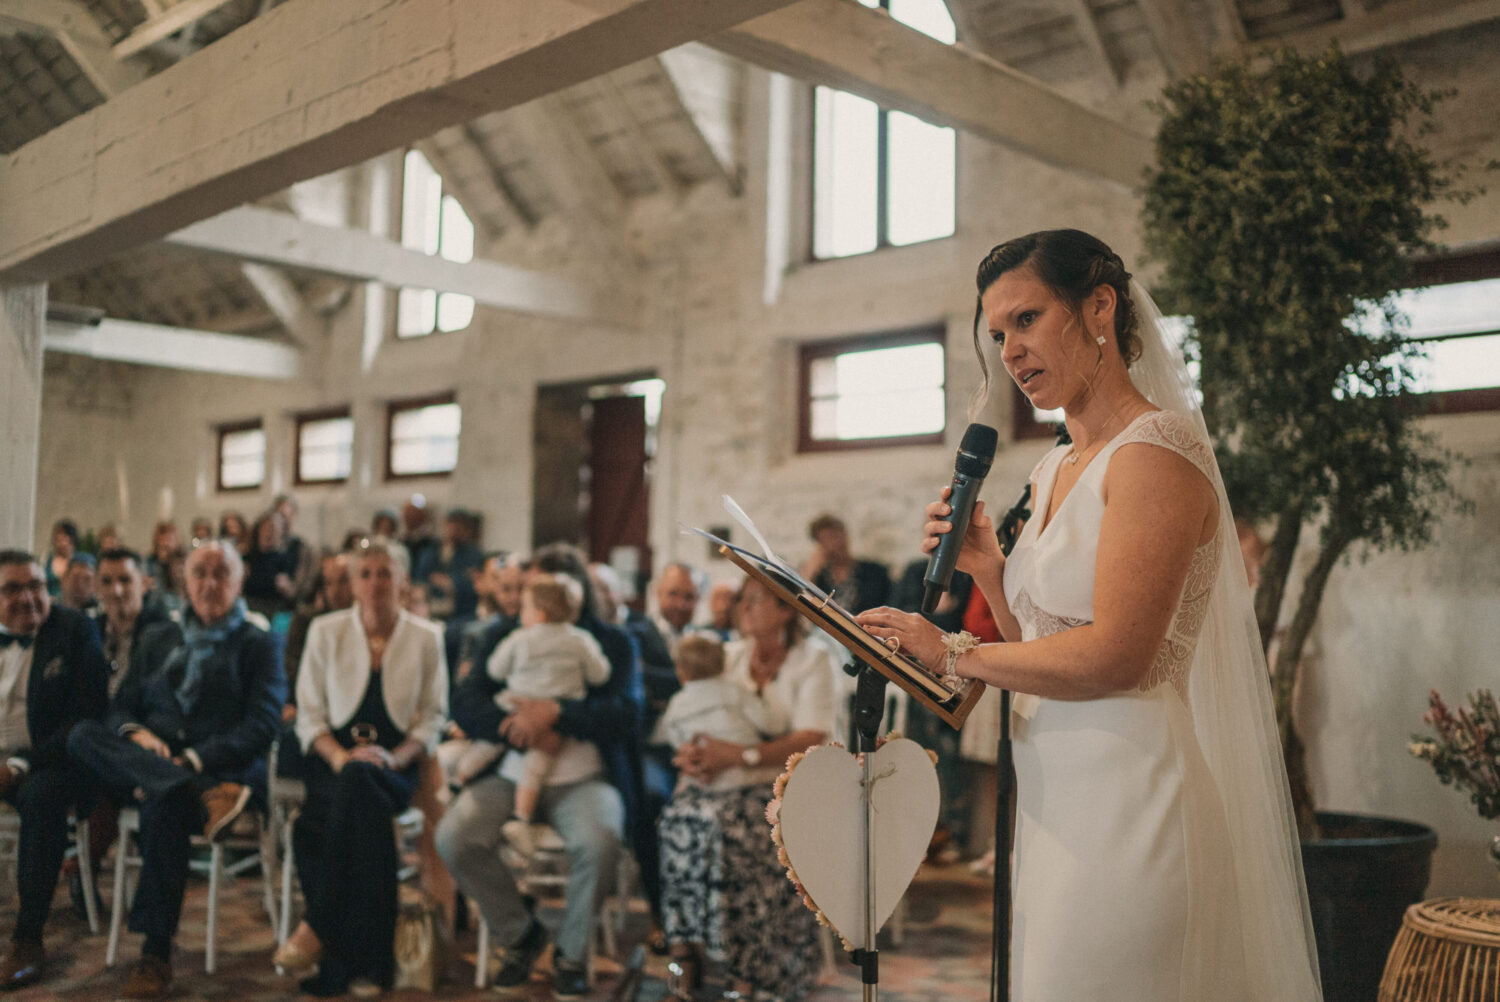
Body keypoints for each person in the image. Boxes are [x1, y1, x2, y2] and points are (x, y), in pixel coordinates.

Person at [853, 229, 1322, 1000]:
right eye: (998, 333)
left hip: (1133, 797)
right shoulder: (1054, 465)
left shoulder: (1157, 451)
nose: (1009, 350)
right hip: (1052, 799)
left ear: (1098, 307)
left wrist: (950, 653)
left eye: (1028, 319)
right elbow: (1042, 646)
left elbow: (1118, 658)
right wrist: (989, 573)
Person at [67, 541, 285, 1001]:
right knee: (83, 735)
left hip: (222, 771)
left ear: (239, 580)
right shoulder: (158, 638)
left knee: (165, 801)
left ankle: (155, 954)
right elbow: (120, 707)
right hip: (174, 774)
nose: (209, 583)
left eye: (220, 573)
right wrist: (138, 736)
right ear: (183, 581)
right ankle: (196, 790)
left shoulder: (257, 643)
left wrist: (195, 760)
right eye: (200, 572)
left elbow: (262, 725)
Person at [435, 543, 644, 1001]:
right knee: (455, 836)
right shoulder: (505, 635)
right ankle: (520, 935)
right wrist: (522, 727)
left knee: (599, 840)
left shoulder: (610, 640)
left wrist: (559, 714)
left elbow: (626, 713)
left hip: (583, 776)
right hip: (511, 771)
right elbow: (465, 705)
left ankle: (571, 955)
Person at [272, 539, 447, 997]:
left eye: (385, 573)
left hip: (394, 764)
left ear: (404, 581)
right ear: (351, 583)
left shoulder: (427, 637)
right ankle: (371, 963)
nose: (375, 583)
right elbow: (309, 715)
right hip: (333, 760)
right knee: (317, 824)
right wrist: (341, 758)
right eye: (365, 574)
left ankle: (323, 937)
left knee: (326, 818)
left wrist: (397, 756)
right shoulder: (325, 632)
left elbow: (433, 717)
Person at [659, 577, 833, 1002]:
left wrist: (741, 756)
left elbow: (812, 736)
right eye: (742, 601)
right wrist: (690, 756)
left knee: (731, 830)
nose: (744, 608)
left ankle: (749, 967)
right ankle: (687, 951)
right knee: (674, 820)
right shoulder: (729, 656)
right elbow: (692, 716)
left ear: (787, 609)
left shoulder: (812, 661)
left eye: (755, 600)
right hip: (719, 782)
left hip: (788, 787)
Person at [0, 551, 109, 989]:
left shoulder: (74, 630)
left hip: (51, 762)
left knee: (42, 798)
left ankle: (28, 940)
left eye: (37, 586)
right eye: (12, 589)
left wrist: (17, 765)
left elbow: (86, 715)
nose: (29, 597)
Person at [452, 574, 609, 856]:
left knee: (493, 742)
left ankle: (460, 776)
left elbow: (495, 670)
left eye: (523, 608)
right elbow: (600, 675)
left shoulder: (518, 638)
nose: (518, 613)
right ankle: (520, 818)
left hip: (516, 706)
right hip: (554, 726)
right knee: (537, 761)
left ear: (538, 612)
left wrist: (514, 717)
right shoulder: (581, 640)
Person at [799, 514, 890, 614]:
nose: (834, 544)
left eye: (836, 536)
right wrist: (812, 570)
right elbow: (802, 603)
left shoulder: (874, 572)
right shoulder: (820, 577)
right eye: (826, 540)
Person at [243, 512, 298, 619]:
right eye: (267, 527)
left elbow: (290, 591)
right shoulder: (246, 557)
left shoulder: (286, 559)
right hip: (249, 607)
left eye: (275, 529)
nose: (270, 532)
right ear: (259, 530)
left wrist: (287, 587)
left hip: (274, 609)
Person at [42, 520, 78, 598]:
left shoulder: (77, 562)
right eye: (57, 539)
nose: (59, 543)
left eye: (64, 538)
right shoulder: (48, 561)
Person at [143, 522, 180, 590]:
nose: (165, 543)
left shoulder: (182, 563)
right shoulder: (148, 562)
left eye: (169, 540)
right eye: (162, 540)